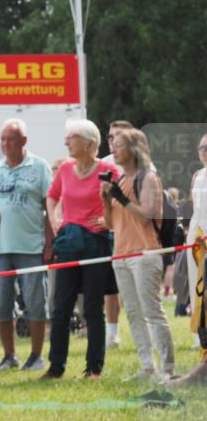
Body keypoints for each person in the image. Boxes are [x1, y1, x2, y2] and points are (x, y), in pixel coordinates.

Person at [43, 119, 118, 380]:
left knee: (92, 308)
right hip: (69, 244)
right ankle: (56, 367)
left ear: (88, 143)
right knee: (61, 307)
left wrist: (108, 220)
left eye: (71, 137)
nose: (66, 142)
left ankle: (94, 368)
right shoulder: (64, 169)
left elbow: (120, 203)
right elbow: (51, 196)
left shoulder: (107, 170)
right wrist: (54, 219)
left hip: (95, 244)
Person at [101, 128, 175, 382]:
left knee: (152, 311)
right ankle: (146, 367)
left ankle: (167, 369)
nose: (114, 149)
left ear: (133, 150)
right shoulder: (120, 180)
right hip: (120, 253)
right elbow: (111, 224)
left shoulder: (148, 178)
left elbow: (146, 215)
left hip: (145, 252)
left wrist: (120, 198)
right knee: (133, 313)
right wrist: (105, 198)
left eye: (119, 145)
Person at [0, 119, 53, 372]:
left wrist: (49, 242)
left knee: (36, 302)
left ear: (24, 141)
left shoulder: (40, 166)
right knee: (1, 304)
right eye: (2, 139)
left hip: (31, 247)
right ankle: (9, 355)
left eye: (11, 139)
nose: (6, 144)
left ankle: (36, 355)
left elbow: (50, 206)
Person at [101, 120, 136, 348]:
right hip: (110, 229)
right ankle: (112, 333)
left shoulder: (142, 166)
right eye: (110, 137)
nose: (113, 142)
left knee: (137, 289)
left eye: (117, 138)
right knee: (110, 286)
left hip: (134, 232)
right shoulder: (104, 163)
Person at [187, 133, 207, 345]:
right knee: (195, 283)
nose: (203, 152)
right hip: (196, 232)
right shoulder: (197, 175)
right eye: (201, 147)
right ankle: (198, 334)